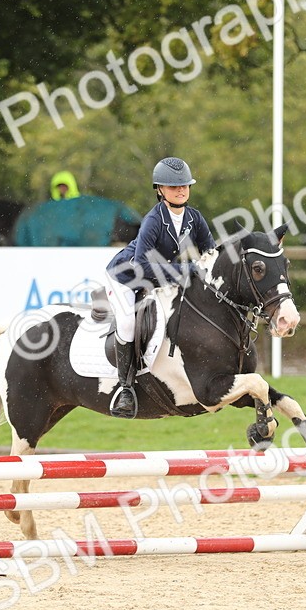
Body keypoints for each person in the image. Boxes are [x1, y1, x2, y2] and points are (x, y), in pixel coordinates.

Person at [103, 157, 215, 418]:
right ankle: (125, 388)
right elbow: (142, 266)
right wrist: (186, 271)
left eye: (185, 185)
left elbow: (210, 253)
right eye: (173, 186)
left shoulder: (194, 218)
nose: (181, 190)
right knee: (128, 324)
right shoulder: (153, 220)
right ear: (160, 190)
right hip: (126, 277)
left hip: (159, 276)